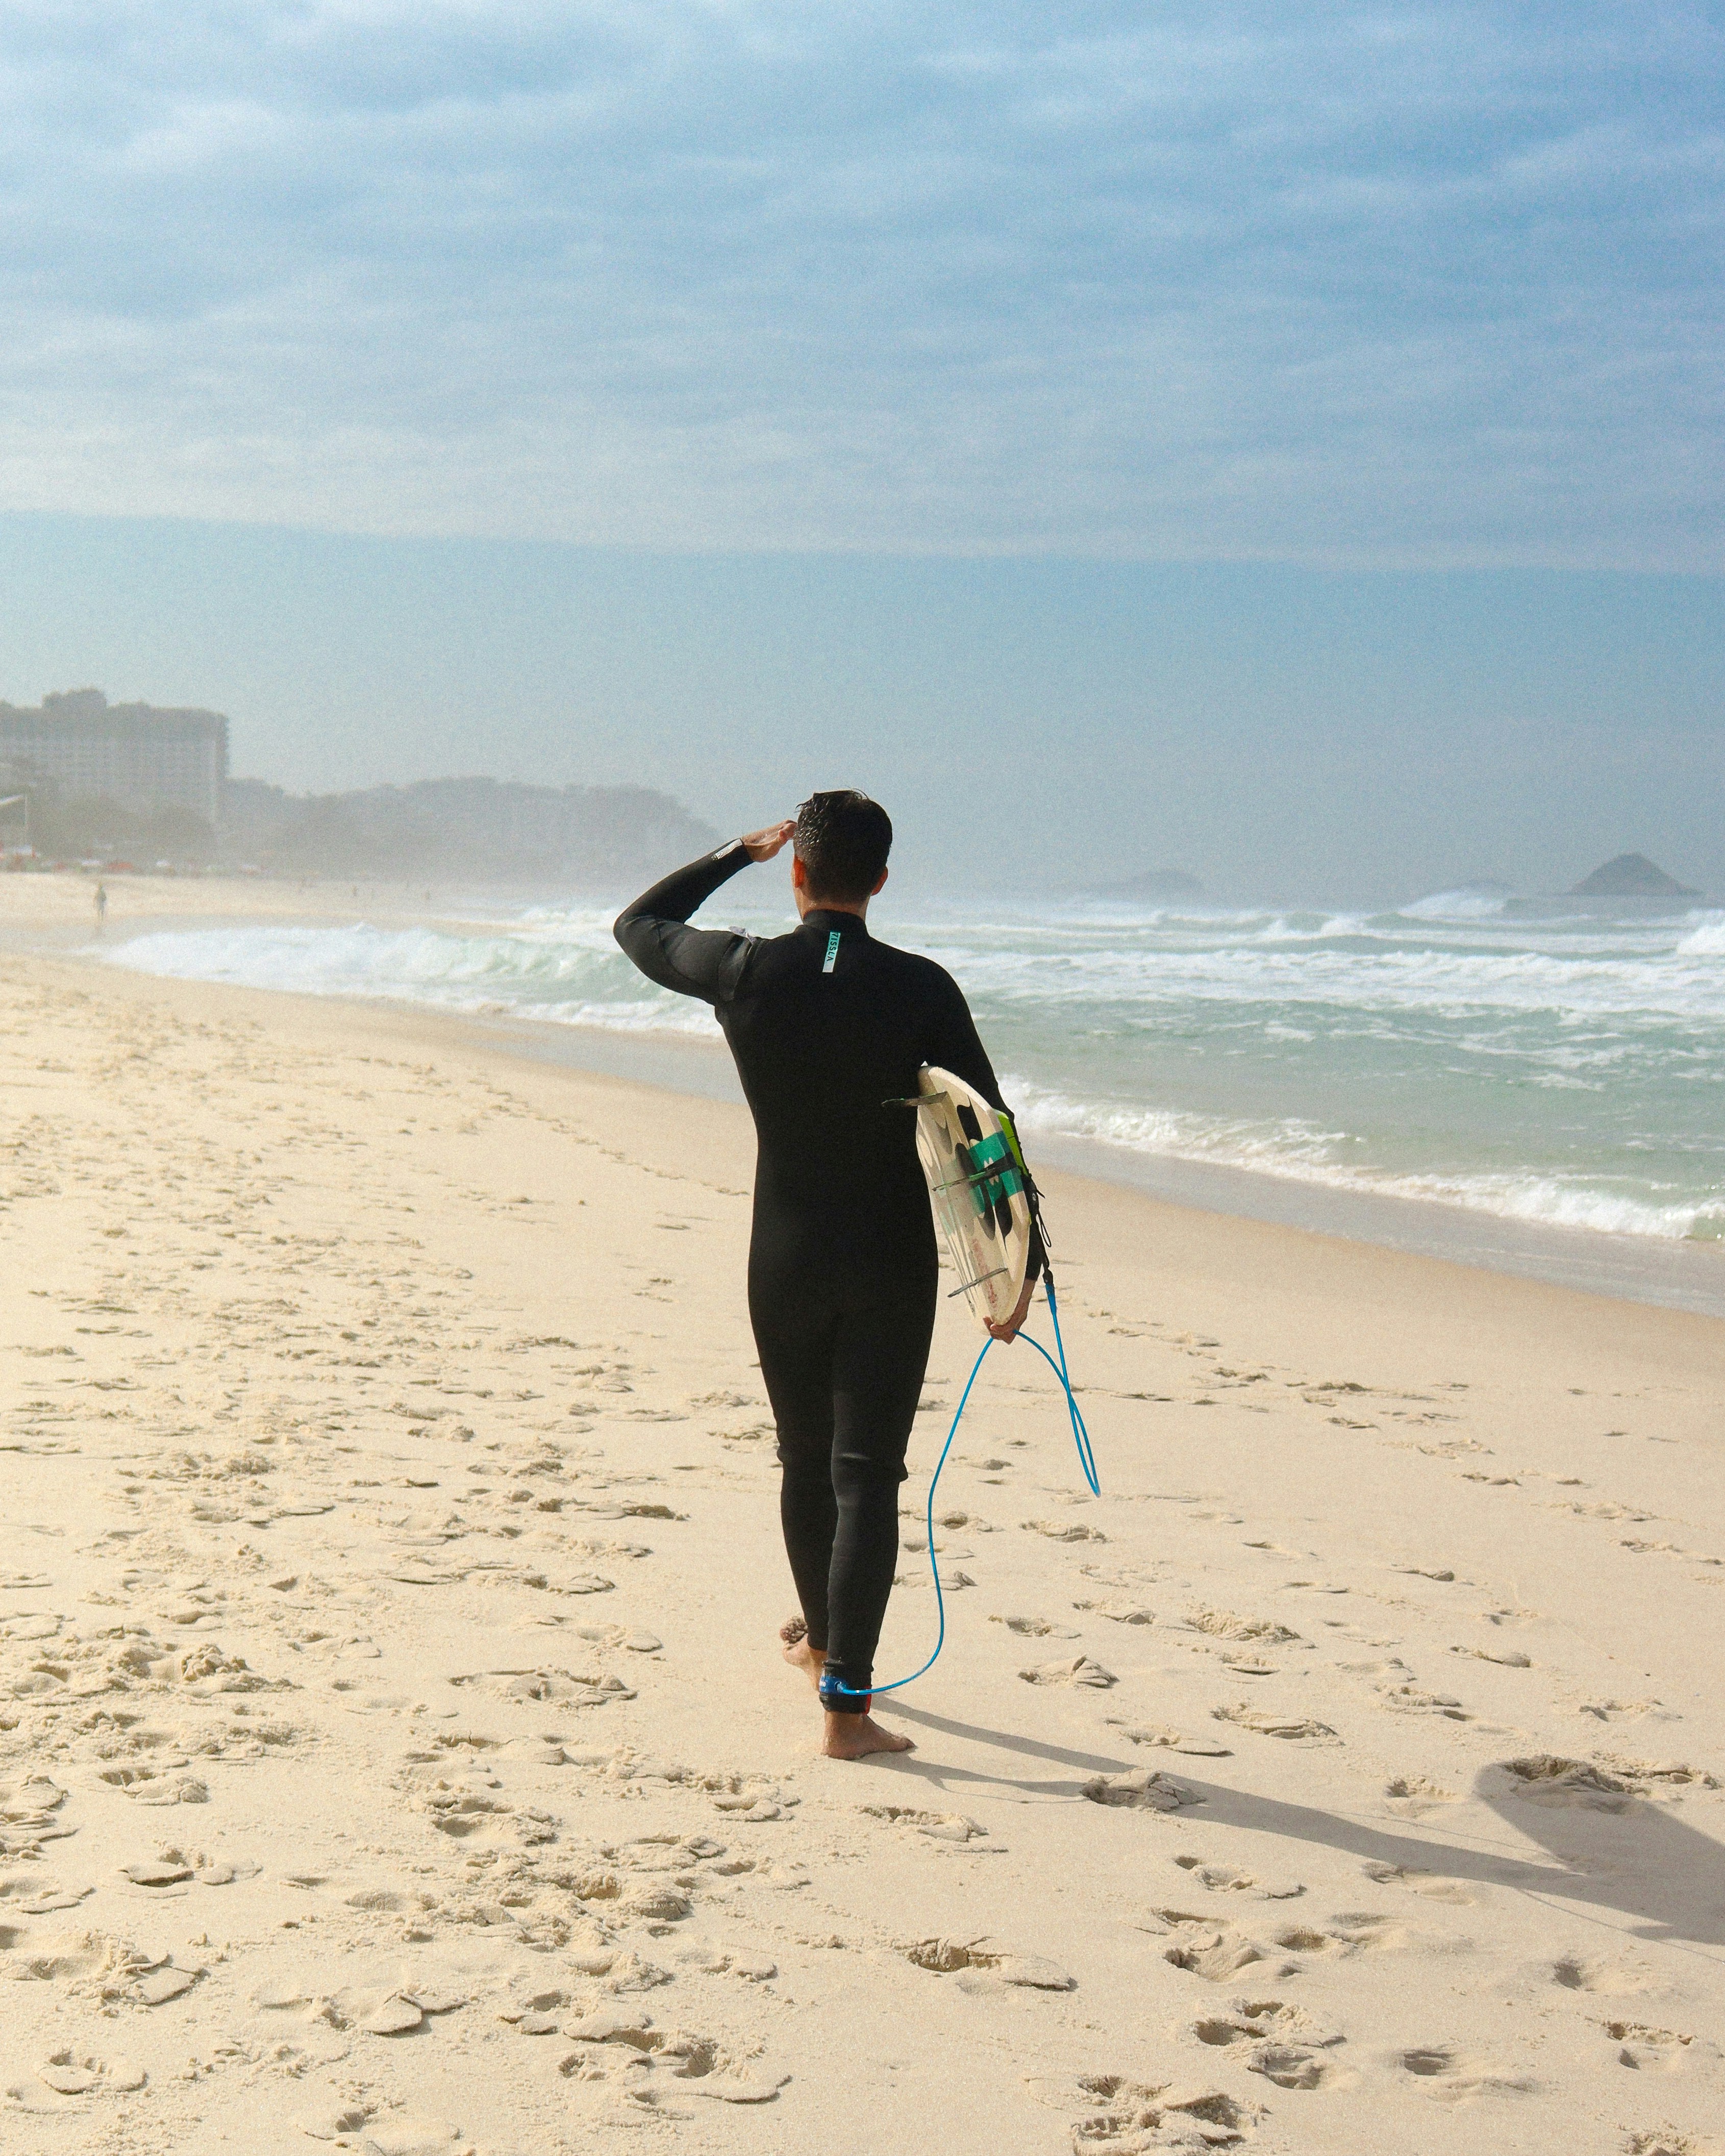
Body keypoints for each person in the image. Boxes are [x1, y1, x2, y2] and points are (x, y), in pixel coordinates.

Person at [615, 790, 1040, 1761]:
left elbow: (638, 926)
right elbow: (989, 1131)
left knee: (805, 1464)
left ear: (799, 871)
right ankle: (844, 1708)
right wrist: (1016, 1275)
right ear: (882, 880)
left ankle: (823, 1654)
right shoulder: (921, 986)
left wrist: (737, 851)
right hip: (889, 1257)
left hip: (785, 1253)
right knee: (866, 1478)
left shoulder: (745, 969)